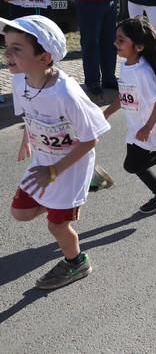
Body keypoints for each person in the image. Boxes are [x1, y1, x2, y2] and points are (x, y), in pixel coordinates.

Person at [3, 15, 111, 289]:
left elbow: (91, 139)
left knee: (57, 227)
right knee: (21, 212)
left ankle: (77, 262)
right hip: (43, 162)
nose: (7, 53)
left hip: (69, 169)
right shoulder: (20, 80)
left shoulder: (67, 94)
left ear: (45, 57)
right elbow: (31, 114)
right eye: (7, 45)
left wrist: (53, 171)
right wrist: (27, 139)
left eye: (17, 48)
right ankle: (83, 190)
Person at [103, 17, 156, 213]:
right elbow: (125, 94)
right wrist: (107, 112)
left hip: (146, 128)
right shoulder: (127, 66)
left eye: (121, 40)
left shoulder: (143, 71)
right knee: (136, 165)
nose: (115, 43)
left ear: (139, 46)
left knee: (132, 165)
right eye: (116, 39)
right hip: (136, 127)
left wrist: (148, 127)